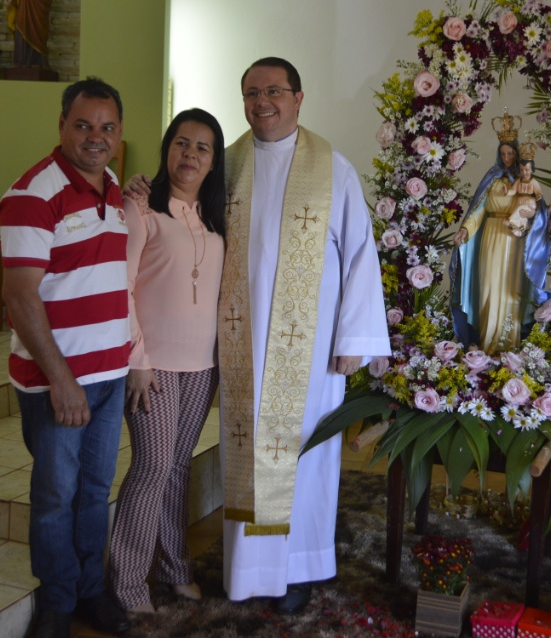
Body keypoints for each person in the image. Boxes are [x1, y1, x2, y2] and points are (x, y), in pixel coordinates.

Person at [220, 57, 389, 614]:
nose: (261, 101)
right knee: (247, 454)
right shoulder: (227, 166)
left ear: (298, 97)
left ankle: (300, 567)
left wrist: (355, 339)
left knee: (305, 455)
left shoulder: (332, 167)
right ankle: (247, 572)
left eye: (273, 90)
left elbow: (362, 254)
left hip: (310, 348)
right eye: (251, 92)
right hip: (241, 340)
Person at [0, 77, 131, 638]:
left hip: (111, 375)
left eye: (106, 128)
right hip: (59, 380)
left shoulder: (116, 187)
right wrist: (62, 379)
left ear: (120, 135)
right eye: (82, 125)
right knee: (56, 496)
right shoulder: (32, 194)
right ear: (61, 126)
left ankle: (89, 592)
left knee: (96, 490)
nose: (94, 138)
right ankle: (56, 603)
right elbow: (20, 298)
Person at [106, 108, 226, 617]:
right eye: (181, 143)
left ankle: (176, 569)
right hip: (151, 363)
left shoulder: (217, 217)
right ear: (166, 148)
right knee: (152, 465)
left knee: (178, 468)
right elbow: (121, 289)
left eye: (202, 147)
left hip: (203, 364)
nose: (189, 155)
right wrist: (136, 358)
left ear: (214, 159)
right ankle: (127, 582)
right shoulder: (141, 209)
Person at [450, 133, 551, 355]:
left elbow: (537, 212)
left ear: (517, 154)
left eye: (510, 153)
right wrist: (465, 230)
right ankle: (486, 343)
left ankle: (508, 346)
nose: (506, 157)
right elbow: (479, 210)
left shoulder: (526, 180)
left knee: (510, 289)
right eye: (503, 153)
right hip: (491, 236)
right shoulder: (493, 179)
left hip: (514, 241)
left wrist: (527, 223)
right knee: (487, 287)